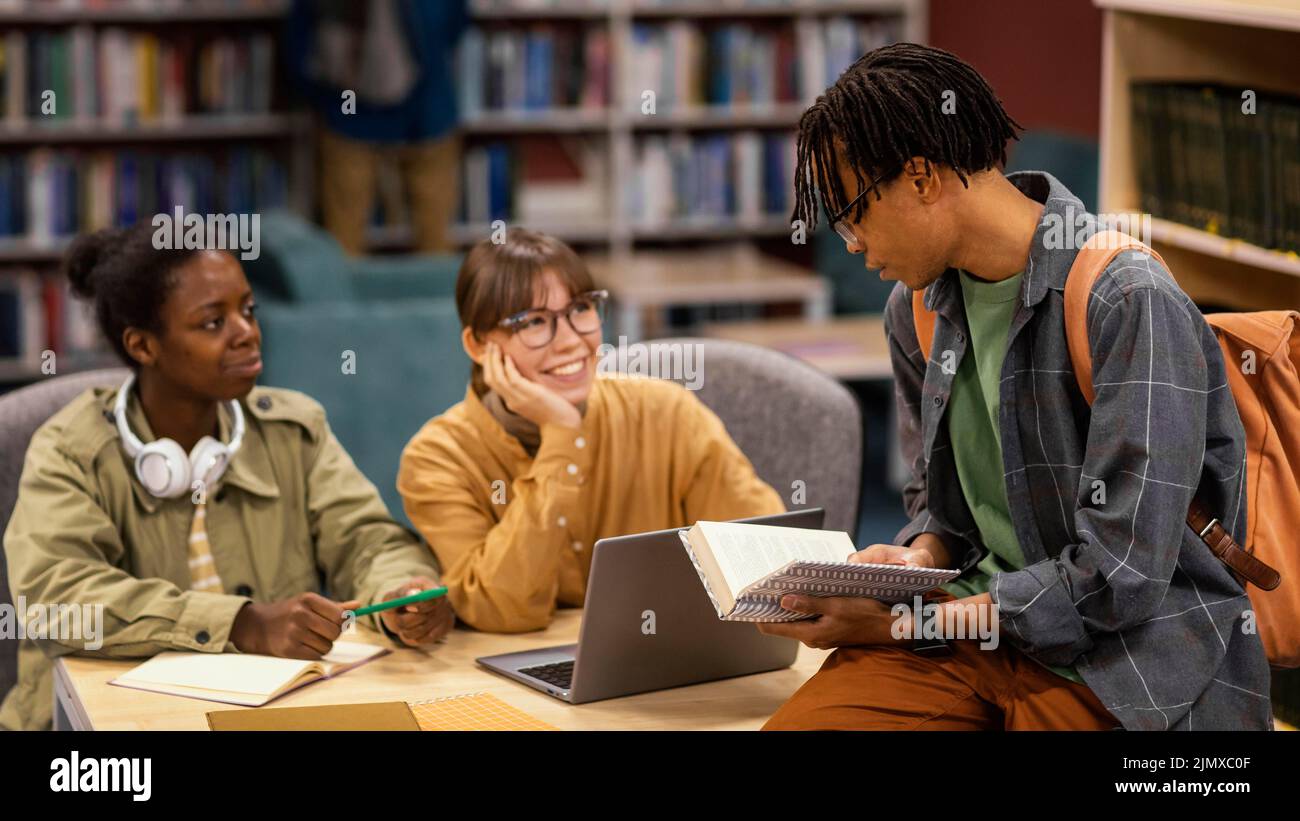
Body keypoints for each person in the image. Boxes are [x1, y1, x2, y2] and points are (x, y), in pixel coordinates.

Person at [760, 43, 1270, 730]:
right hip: (967, 630)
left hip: (1126, 658)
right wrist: (916, 559)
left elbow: (1119, 577)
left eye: (852, 213)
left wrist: (904, 621)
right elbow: (945, 509)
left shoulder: (1125, 299)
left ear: (920, 178)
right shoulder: (914, 308)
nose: (848, 242)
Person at [0, 225, 453, 731]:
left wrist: (397, 594)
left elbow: (368, 539)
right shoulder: (69, 450)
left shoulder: (293, 428)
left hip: (269, 716)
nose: (247, 332)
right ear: (143, 346)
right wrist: (242, 623)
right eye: (214, 322)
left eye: (249, 310)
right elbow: (56, 601)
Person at [397, 228, 785, 632]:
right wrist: (562, 436)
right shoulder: (437, 457)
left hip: (666, 660)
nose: (570, 341)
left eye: (580, 309)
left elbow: (765, 555)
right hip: (513, 676)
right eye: (533, 322)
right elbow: (500, 609)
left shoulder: (666, 412)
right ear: (479, 346)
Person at [285, 0, 470, 254]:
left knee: (347, 241)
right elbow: (454, 26)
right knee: (432, 239)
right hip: (400, 111)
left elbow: (300, 47)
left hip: (370, 113)